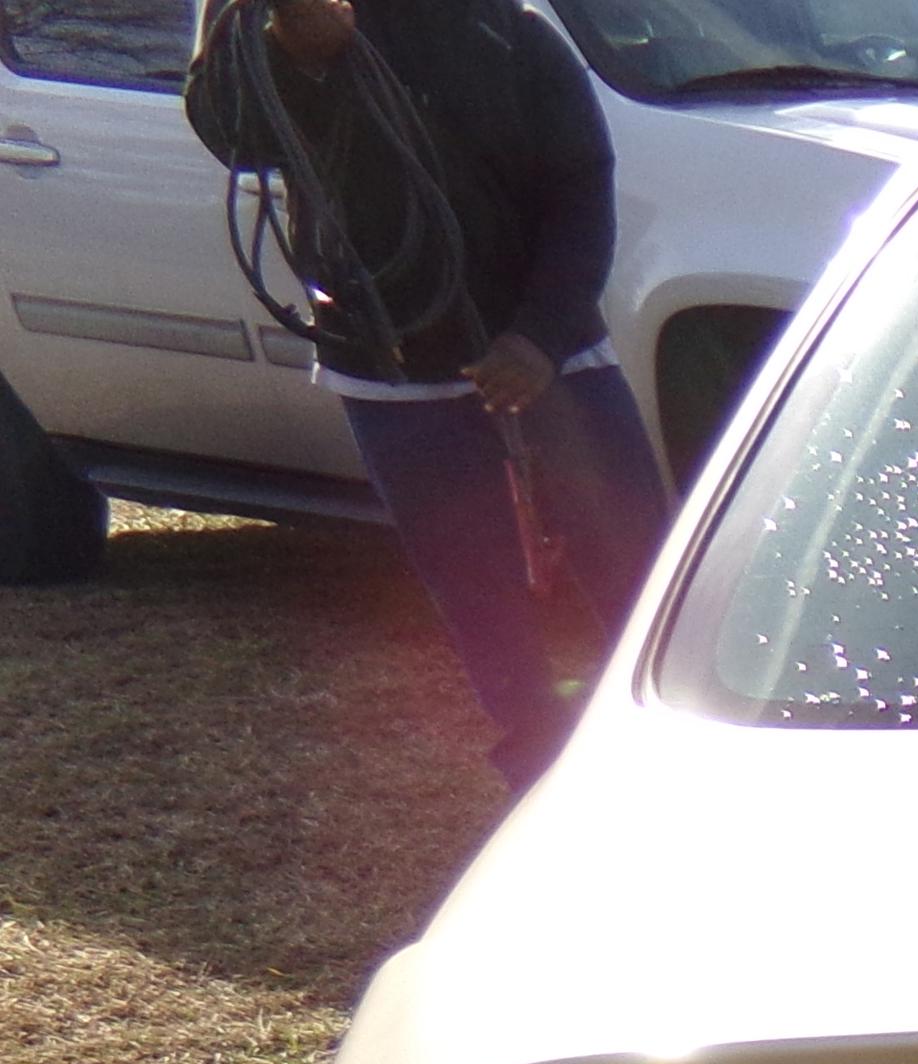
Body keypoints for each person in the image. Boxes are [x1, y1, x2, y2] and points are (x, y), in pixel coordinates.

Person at [187, 0, 672, 787]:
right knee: (474, 581)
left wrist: (538, 335)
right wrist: (293, 46)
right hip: (390, 360)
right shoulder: (289, 28)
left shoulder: (508, 33)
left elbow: (582, 188)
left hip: (552, 358)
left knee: (633, 559)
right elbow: (234, 132)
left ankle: (669, 744)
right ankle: (538, 762)